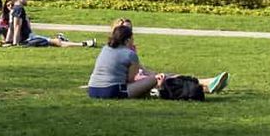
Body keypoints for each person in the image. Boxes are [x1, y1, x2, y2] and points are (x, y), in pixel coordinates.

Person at [86, 20, 229, 100]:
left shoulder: (106, 49)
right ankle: (203, 84)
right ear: (128, 39)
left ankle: (205, 86)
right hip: (112, 91)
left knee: (156, 79)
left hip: (93, 90)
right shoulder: (129, 54)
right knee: (159, 78)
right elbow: (130, 79)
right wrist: (154, 79)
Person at [3, 0, 96, 48]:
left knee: (53, 42)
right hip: (28, 39)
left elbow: (12, 27)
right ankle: (82, 44)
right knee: (57, 42)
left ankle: (64, 39)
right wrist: (15, 43)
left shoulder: (14, 9)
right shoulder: (19, 8)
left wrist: (8, 41)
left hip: (27, 38)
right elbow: (16, 26)